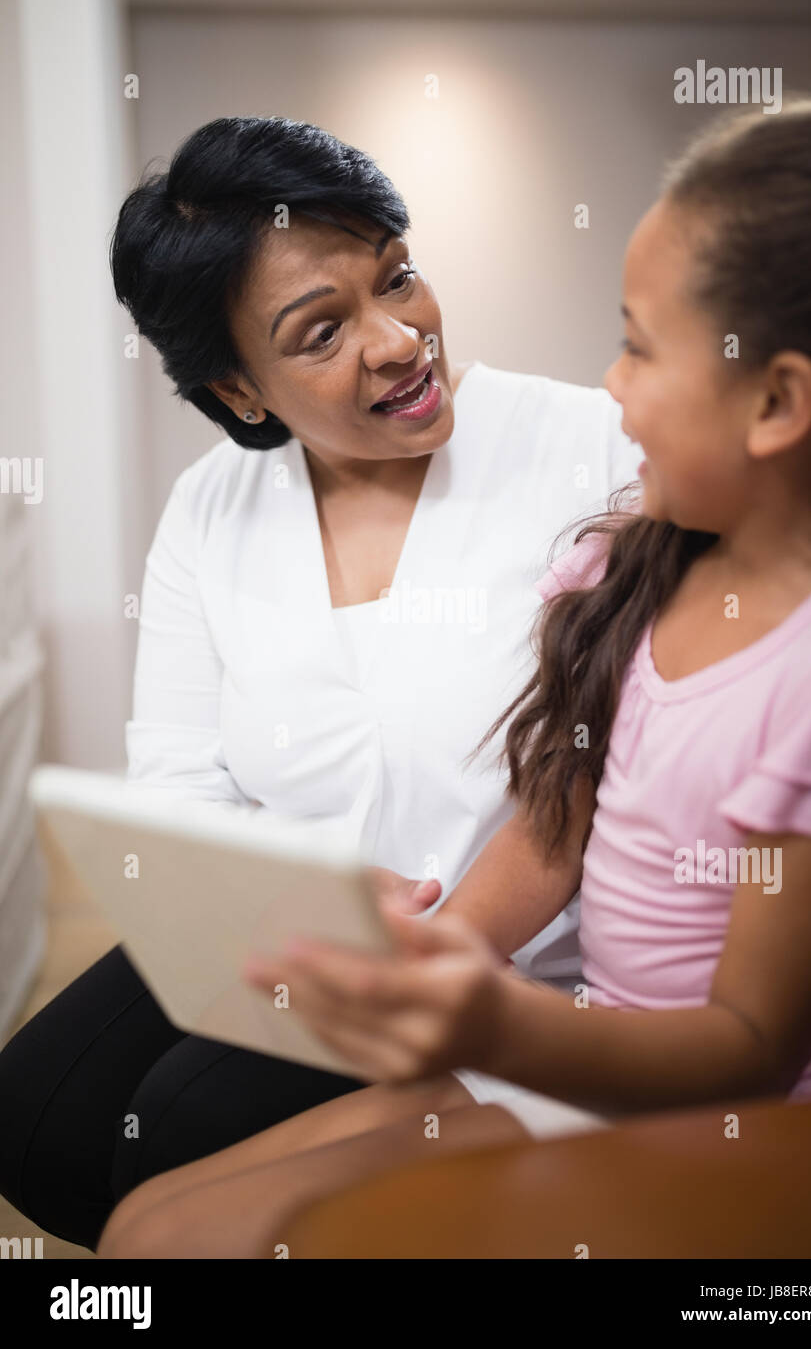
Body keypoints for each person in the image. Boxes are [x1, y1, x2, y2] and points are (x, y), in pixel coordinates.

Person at [96, 94, 811, 1261]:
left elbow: (750, 1047)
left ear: (776, 402)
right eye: (319, 330)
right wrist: (443, 952)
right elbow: (554, 809)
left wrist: (485, 1007)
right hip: (571, 1027)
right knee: (142, 1215)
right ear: (237, 393)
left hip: (696, 1093)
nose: (604, 388)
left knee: (182, 1206)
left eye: (639, 348)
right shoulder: (617, 559)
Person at [0, 116, 636, 1251]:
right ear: (239, 391)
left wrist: (433, 943)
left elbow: (613, 771)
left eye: (397, 277)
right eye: (322, 331)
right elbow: (182, 778)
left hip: (508, 956)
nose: (399, 340)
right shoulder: (211, 510)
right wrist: (284, 903)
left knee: (169, 1125)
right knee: (30, 1117)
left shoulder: (585, 450)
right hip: (284, 928)